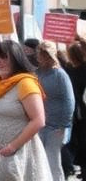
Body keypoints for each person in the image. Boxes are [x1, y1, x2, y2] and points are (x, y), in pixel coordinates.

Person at [0, 39, 51, 181]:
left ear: (16, 59)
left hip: (20, 152)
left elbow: (39, 120)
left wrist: (13, 147)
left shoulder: (26, 83)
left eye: (4, 57)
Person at [35, 40, 73, 181]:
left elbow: (69, 101)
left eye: (43, 54)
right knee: (40, 161)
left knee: (52, 162)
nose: (40, 56)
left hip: (56, 127)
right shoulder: (36, 73)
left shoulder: (60, 75)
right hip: (40, 124)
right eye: (39, 53)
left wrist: (64, 124)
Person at [64, 40, 86, 177]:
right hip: (79, 112)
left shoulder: (70, 70)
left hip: (78, 112)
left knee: (80, 141)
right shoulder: (75, 69)